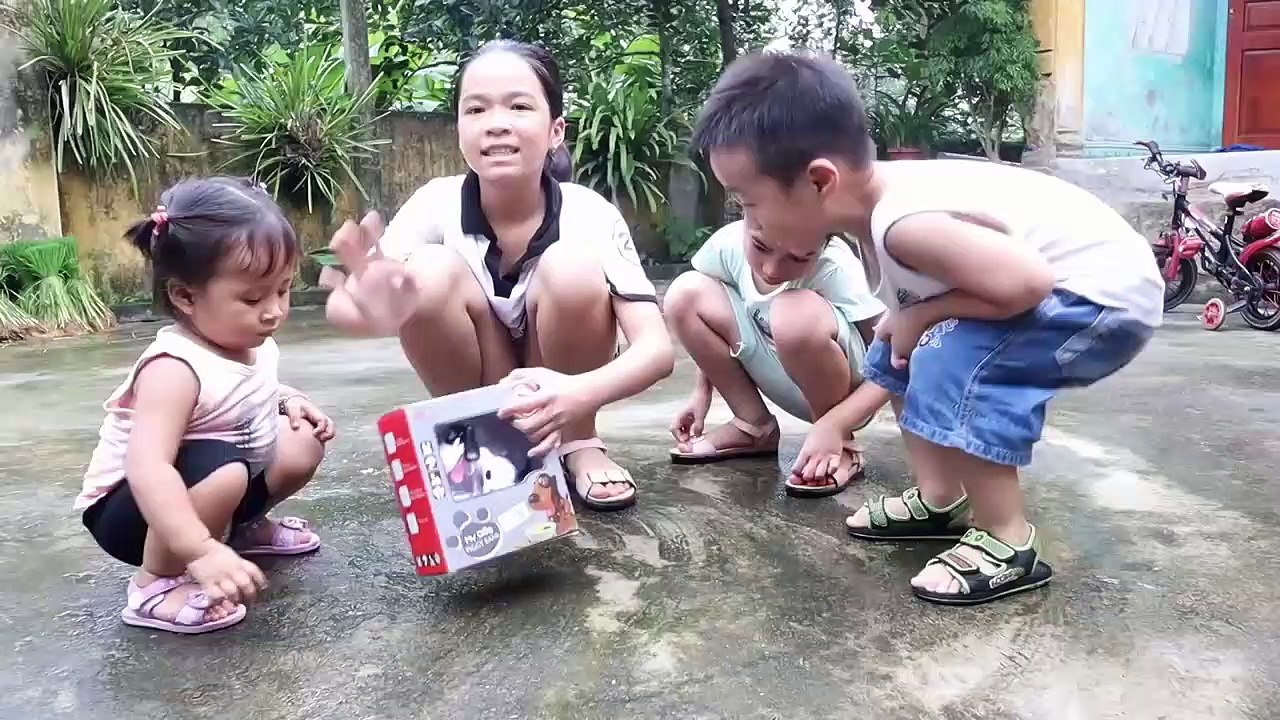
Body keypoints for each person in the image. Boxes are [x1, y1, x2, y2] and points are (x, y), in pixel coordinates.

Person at [689, 51, 1162, 605]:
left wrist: (923, 314)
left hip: (1103, 298)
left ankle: (1007, 539)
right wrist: (847, 408)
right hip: (1072, 288)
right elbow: (902, 344)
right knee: (900, 344)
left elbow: (1028, 284)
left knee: (950, 354)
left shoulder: (903, 226)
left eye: (750, 203)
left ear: (819, 181)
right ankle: (940, 499)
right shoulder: (875, 216)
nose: (748, 221)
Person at [323, 40, 674, 512]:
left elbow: (656, 350)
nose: (496, 123)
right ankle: (479, 439)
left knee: (570, 268)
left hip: (563, 388)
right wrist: (366, 306)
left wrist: (579, 395)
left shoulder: (589, 214)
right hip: (483, 384)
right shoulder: (435, 203)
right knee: (426, 271)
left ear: (555, 131)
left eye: (519, 106)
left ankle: (577, 442)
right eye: (476, 109)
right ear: (459, 130)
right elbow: (354, 304)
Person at [74, 177, 335, 634]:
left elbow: (246, 390)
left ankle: (241, 529)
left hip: (209, 485)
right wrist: (200, 550)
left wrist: (289, 399)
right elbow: (148, 468)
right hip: (134, 515)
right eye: (252, 298)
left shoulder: (249, 342)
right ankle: (155, 583)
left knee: (301, 441)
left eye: (283, 289)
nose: (274, 311)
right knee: (224, 467)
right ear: (185, 296)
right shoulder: (173, 369)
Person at [663, 219, 888, 497]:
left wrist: (835, 423)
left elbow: (894, 360)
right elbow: (707, 313)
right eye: (760, 246)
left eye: (798, 258)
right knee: (685, 293)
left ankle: (840, 446)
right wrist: (701, 393)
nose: (771, 270)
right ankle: (753, 426)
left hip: (845, 396)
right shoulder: (728, 244)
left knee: (794, 313)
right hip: (776, 365)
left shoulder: (836, 268)